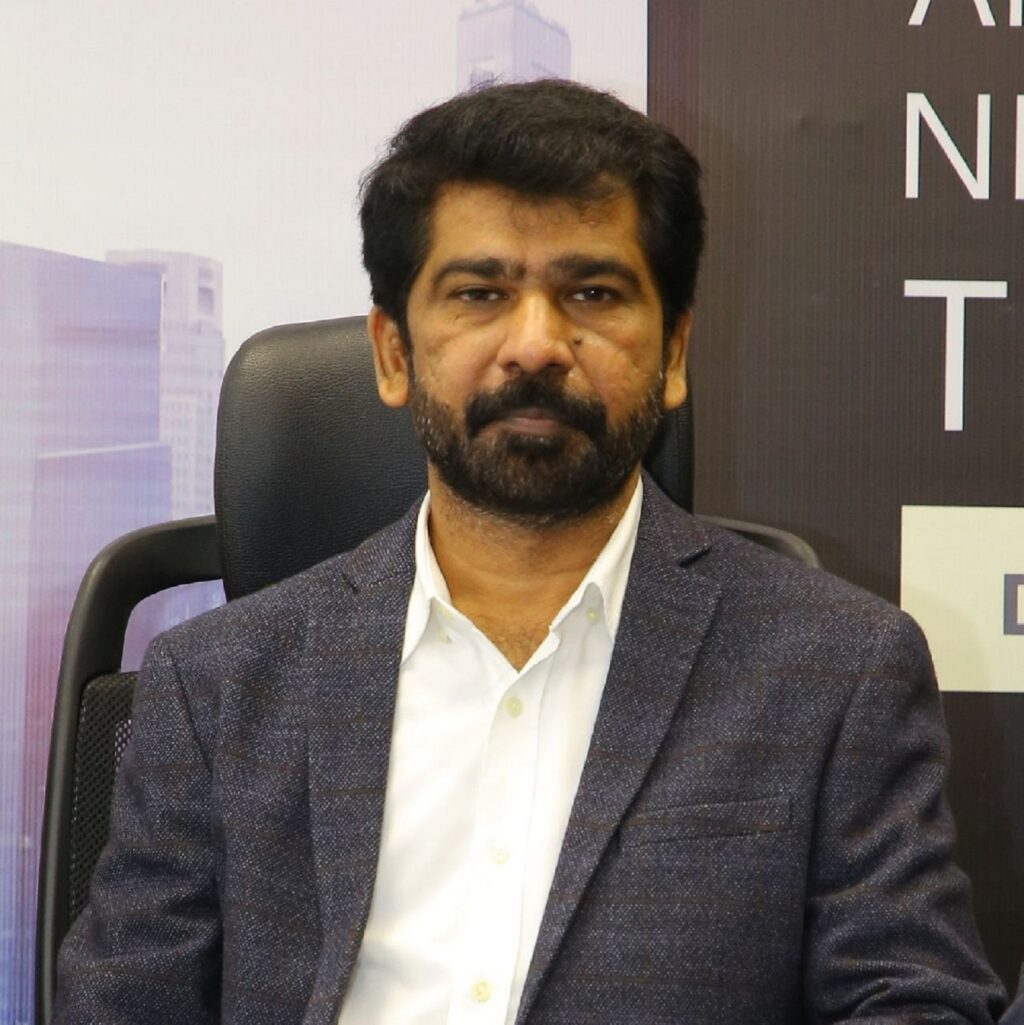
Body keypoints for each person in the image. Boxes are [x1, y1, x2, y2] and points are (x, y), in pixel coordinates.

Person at [53, 79, 1006, 1025]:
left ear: (674, 352)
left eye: (592, 292)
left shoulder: (834, 669)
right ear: (394, 354)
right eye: (481, 294)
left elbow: (912, 1001)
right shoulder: (218, 684)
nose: (538, 344)